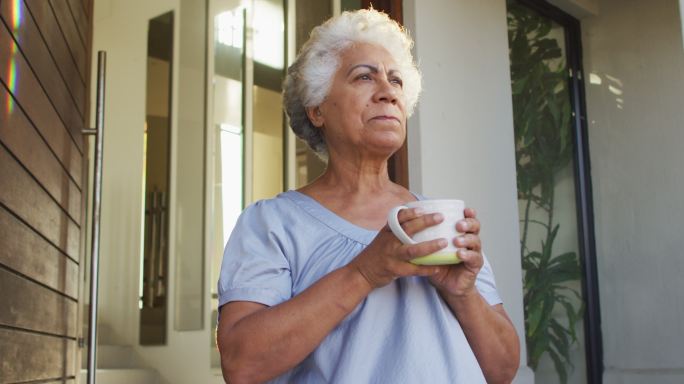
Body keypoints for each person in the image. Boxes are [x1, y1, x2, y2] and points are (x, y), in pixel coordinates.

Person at [216, 9, 520, 384]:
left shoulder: (440, 223)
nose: (388, 91)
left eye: (395, 80)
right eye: (364, 76)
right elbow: (242, 364)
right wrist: (364, 272)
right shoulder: (271, 223)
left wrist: (464, 293)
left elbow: (504, 369)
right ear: (316, 109)